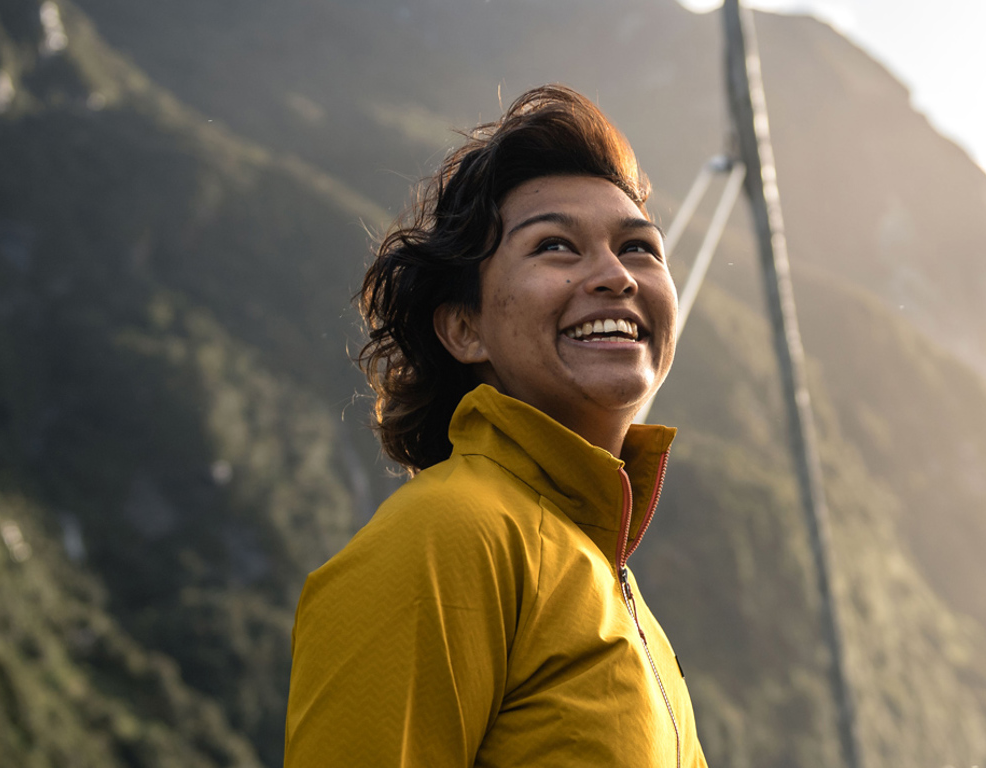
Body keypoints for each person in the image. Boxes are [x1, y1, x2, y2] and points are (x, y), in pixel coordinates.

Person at [284, 85, 706, 767]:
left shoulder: (608, 581)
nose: (616, 276)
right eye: (557, 247)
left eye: (638, 248)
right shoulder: (446, 536)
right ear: (464, 327)